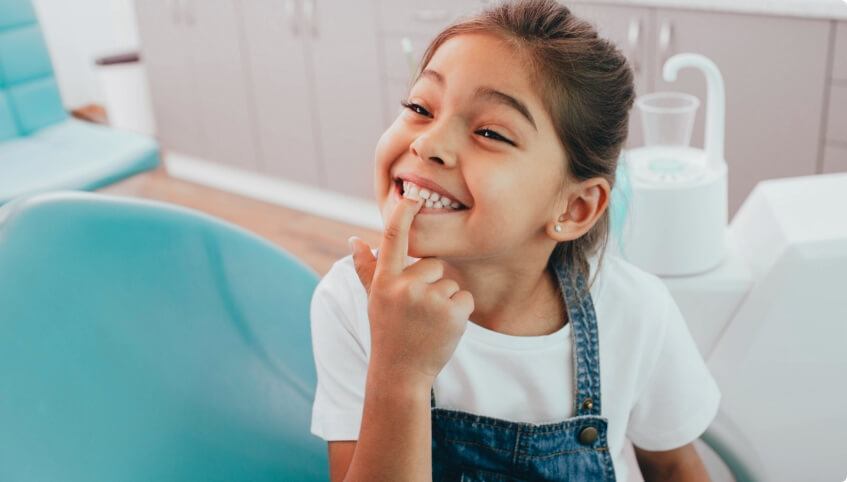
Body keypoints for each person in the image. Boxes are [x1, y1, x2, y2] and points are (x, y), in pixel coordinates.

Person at [309, 0, 720, 480]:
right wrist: (399, 373)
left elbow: (673, 467)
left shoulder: (637, 312)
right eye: (420, 107)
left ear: (574, 208)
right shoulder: (352, 303)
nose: (427, 144)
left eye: (489, 132)